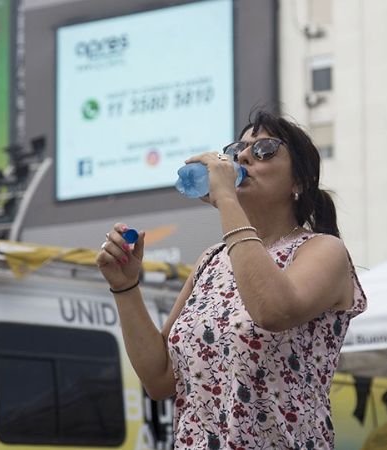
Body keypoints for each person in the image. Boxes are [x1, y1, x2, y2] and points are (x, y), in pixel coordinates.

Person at [97, 110, 367, 449]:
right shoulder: (212, 259)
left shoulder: (322, 251)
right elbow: (160, 379)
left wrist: (225, 198)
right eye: (239, 148)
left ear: (298, 182)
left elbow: (273, 310)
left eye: (264, 149)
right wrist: (125, 286)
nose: (242, 156)